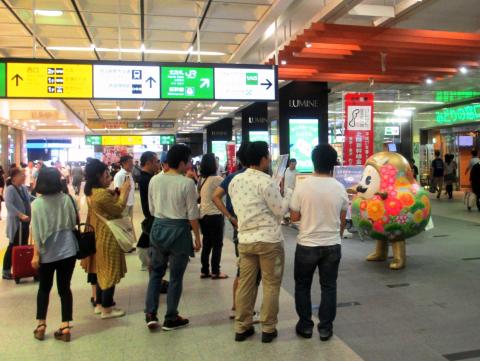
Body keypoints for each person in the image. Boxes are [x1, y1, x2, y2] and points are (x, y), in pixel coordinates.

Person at [229, 141, 293, 343]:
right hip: (269, 242)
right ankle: (268, 328)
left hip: (245, 241)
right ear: (263, 159)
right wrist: (288, 193)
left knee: (246, 285)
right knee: (271, 284)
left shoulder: (234, 181)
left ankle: (242, 326)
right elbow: (280, 211)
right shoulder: (266, 182)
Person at [289, 144, 348, 342]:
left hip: (307, 244)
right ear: (333, 164)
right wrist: (335, 236)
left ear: (313, 162)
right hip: (332, 245)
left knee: (302, 286)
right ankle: (325, 328)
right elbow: (342, 218)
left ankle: (305, 326)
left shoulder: (303, 186)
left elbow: (294, 216)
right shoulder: (339, 188)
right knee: (329, 286)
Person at [144, 144, 201, 331]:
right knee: (176, 277)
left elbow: (152, 209)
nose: (190, 165)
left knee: (156, 274)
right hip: (179, 232)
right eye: (189, 161)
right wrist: (198, 238)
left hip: (158, 228)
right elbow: (192, 214)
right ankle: (171, 317)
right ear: (183, 162)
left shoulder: (155, 180)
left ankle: (151, 314)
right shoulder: (187, 183)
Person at [212, 142, 261, 320]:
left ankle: (236, 305)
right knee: (251, 273)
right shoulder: (258, 177)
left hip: (238, 228)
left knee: (242, 269)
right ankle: (243, 309)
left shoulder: (233, 177)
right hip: (254, 230)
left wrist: (230, 217)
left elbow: (215, 196)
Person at [30, 168, 78, 342]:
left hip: (46, 254)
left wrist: (35, 255)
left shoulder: (36, 204)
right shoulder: (67, 200)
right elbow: (73, 222)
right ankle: (65, 327)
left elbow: (35, 232)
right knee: (64, 289)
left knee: (44, 288)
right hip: (68, 251)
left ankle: (41, 325)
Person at [84, 159, 131, 319]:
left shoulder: (92, 193)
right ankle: (107, 308)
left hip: (98, 235)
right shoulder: (101, 195)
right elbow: (117, 209)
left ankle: (99, 304)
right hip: (107, 236)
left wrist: (114, 194)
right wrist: (124, 192)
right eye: (106, 175)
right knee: (110, 270)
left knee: (101, 270)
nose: (110, 178)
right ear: (98, 176)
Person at [198, 153, 227, 279]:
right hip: (215, 216)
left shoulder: (202, 179)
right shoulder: (217, 179)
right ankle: (215, 271)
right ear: (212, 164)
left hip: (203, 216)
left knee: (207, 244)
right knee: (217, 245)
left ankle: (205, 270)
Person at [2, 168, 32, 280]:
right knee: (12, 247)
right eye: (21, 175)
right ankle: (5, 271)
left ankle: (20, 269)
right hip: (16, 224)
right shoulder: (10, 189)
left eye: (24, 175)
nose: (24, 177)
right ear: (14, 177)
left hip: (25, 223)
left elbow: (29, 198)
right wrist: (20, 215)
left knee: (23, 246)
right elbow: (9, 205)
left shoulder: (23, 188)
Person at [137, 151, 160, 271]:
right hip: (152, 213)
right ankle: (147, 263)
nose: (158, 164)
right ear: (148, 163)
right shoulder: (147, 179)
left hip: (151, 213)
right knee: (146, 240)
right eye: (157, 161)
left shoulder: (148, 177)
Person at [113, 155, 135, 220]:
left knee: (129, 225)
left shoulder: (128, 174)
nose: (132, 164)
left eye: (132, 162)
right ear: (123, 163)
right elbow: (117, 191)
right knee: (123, 225)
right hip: (123, 205)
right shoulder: (120, 175)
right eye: (130, 162)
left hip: (130, 203)